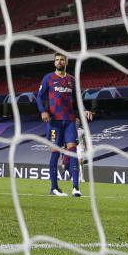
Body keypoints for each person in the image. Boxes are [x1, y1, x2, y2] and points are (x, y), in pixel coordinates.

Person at [37, 52, 93, 197]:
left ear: (66, 62)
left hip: (70, 121)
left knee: (73, 152)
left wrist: (85, 110)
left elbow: (78, 101)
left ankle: (76, 188)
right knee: (55, 154)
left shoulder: (71, 80)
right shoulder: (48, 78)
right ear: (54, 63)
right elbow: (39, 97)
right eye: (57, 60)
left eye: (62, 60)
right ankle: (54, 188)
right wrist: (43, 111)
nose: (59, 62)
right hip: (54, 122)